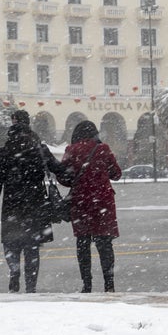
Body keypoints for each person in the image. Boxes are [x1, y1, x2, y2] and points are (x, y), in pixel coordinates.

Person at [0, 110, 62, 293]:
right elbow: (59, 169)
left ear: (13, 123)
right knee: (32, 246)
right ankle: (31, 286)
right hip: (35, 203)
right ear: (28, 124)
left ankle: (14, 272)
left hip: (12, 204)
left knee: (11, 242)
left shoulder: (5, 150)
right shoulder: (40, 148)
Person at [59, 120, 122, 293]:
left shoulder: (71, 150)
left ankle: (87, 284)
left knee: (83, 243)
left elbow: (63, 178)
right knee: (105, 244)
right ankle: (109, 284)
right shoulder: (103, 149)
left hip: (81, 203)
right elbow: (116, 174)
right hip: (103, 202)